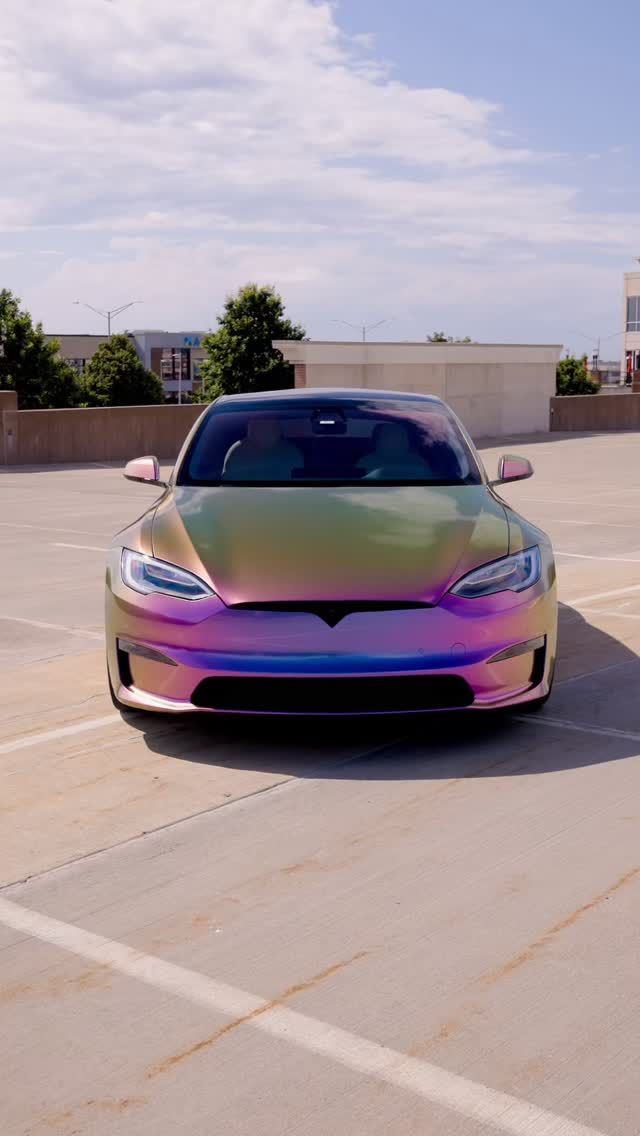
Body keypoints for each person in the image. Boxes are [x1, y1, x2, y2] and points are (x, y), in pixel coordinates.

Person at [223, 416, 302, 480]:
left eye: (269, 426)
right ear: (251, 428)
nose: (264, 430)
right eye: (260, 426)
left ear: (278, 429)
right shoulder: (237, 451)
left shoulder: (290, 452)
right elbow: (227, 484)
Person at [356, 422, 433, 478]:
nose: (394, 441)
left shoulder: (418, 462)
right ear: (378, 440)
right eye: (389, 438)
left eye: (398, 438)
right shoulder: (366, 462)